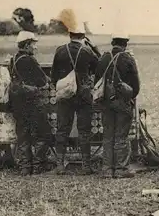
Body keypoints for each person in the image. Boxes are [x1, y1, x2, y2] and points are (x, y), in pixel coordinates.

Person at [49, 23, 100, 175]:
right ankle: (86, 166)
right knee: (84, 130)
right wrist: (94, 48)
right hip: (83, 95)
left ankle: (59, 165)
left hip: (65, 95)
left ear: (70, 35)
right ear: (83, 36)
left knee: (62, 129)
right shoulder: (87, 51)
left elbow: (53, 76)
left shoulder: (60, 50)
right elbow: (98, 68)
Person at [94, 33, 140, 178]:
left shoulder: (103, 58)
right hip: (123, 103)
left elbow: (96, 81)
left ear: (112, 42)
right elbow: (136, 86)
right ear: (125, 44)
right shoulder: (128, 59)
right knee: (121, 136)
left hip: (106, 103)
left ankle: (107, 169)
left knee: (108, 135)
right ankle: (121, 169)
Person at [8, 31, 53, 175]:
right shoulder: (30, 60)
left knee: (23, 134)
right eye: (34, 44)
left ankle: (25, 167)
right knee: (42, 133)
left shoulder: (14, 59)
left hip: (17, 102)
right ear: (27, 45)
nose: (35, 48)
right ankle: (39, 165)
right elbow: (42, 81)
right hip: (32, 102)